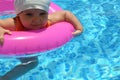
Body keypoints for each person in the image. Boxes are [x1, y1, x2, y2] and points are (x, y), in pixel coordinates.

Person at [0, 0, 83, 80]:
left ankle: (6, 78)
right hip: (14, 46)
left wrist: (79, 27)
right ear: (18, 15)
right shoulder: (14, 23)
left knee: (32, 63)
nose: (37, 20)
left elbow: (66, 14)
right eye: (29, 14)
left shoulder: (49, 20)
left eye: (42, 13)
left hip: (28, 49)